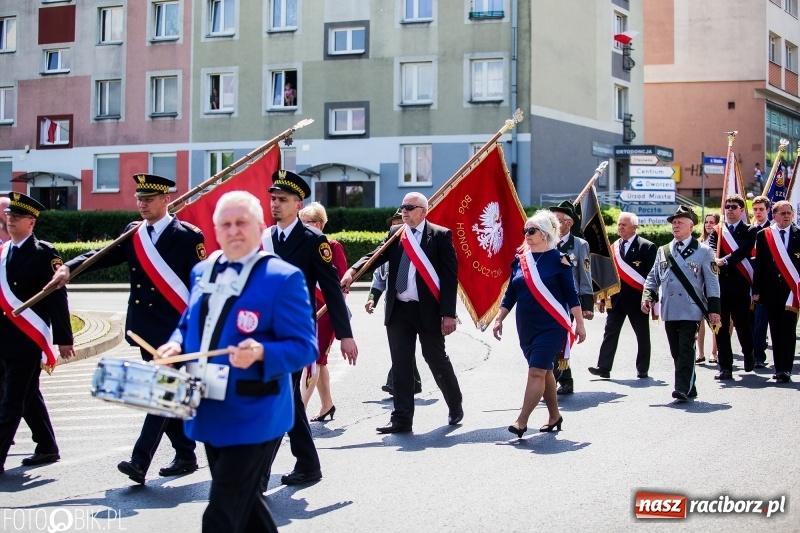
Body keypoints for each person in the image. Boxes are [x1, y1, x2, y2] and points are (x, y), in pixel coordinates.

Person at [158, 191, 317, 533]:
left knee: (220, 514)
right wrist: (173, 347)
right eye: (225, 224)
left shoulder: (282, 277)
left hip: (255, 413)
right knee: (246, 507)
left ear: (259, 226)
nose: (233, 231)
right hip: (209, 405)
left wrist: (262, 352)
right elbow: (188, 325)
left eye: (241, 222)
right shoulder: (202, 271)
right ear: (215, 230)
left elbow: (305, 347)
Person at [46, 174, 206, 484]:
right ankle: (186, 453)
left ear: (166, 199)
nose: (142, 204)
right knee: (166, 392)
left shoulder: (188, 236)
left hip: (175, 328)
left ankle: (139, 461)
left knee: (162, 391)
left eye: (149, 198)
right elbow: (102, 256)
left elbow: (200, 284)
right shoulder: (133, 234)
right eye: (139, 199)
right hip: (145, 328)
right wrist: (70, 268)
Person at [260, 170, 358, 487]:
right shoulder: (266, 239)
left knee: (282, 397)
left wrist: (345, 335)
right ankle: (306, 463)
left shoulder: (314, 242)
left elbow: (331, 290)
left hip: (295, 331)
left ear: (298, 203)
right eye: (273, 199)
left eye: (282, 200)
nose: (275, 204)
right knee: (284, 399)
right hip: (266, 331)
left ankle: (260, 471)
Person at [341, 192, 463, 434]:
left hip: (428, 310)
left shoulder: (439, 236)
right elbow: (373, 257)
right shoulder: (396, 235)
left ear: (423, 212)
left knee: (435, 358)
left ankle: (455, 403)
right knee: (401, 364)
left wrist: (448, 314)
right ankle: (401, 419)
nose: (404, 211)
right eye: (402, 206)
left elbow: (450, 278)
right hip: (399, 310)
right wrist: (351, 273)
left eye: (410, 207)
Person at [492, 211, 586, 438]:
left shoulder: (559, 260)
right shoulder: (520, 260)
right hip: (526, 326)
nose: (527, 235)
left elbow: (572, 296)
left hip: (552, 326)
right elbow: (511, 293)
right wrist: (499, 317)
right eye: (525, 231)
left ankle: (521, 420)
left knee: (536, 371)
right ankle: (555, 416)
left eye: (531, 231)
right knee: (545, 372)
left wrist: (580, 324)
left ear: (545, 234)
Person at [0, 193, 74, 473]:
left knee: (12, 400)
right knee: (28, 395)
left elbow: (57, 296)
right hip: (4, 336)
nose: (10, 221)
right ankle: (46, 446)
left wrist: (64, 338)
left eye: (17, 218)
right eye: (9, 217)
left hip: (27, 338)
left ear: (31, 222)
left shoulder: (45, 253)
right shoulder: (4, 251)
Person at [642, 206, 721, 402]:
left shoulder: (704, 251)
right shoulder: (663, 250)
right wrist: (648, 296)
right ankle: (689, 385)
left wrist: (714, 310)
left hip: (690, 308)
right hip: (670, 309)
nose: (675, 225)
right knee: (676, 350)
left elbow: (712, 283)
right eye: (673, 223)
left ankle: (681, 388)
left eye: (680, 222)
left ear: (691, 226)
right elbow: (653, 277)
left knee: (686, 348)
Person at [589, 212, 656, 379]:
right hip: (616, 299)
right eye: (619, 224)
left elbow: (652, 276)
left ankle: (642, 368)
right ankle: (603, 367)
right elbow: (608, 275)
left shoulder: (647, 247)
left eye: (624, 225)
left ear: (634, 227)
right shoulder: (614, 247)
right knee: (610, 332)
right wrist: (603, 298)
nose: (620, 228)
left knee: (642, 335)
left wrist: (649, 297)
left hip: (637, 300)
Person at [298, 202, 347, 421]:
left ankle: (298, 412)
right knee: (319, 361)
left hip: (325, 310)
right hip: (304, 309)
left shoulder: (332, 246)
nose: (300, 226)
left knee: (313, 359)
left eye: (304, 222)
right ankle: (327, 404)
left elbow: (340, 284)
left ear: (317, 224)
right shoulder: (299, 246)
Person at [366, 209, 422, 397]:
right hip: (394, 307)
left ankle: (397, 383)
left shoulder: (419, 246)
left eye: (399, 223)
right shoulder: (387, 249)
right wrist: (372, 299)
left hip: (416, 305)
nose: (395, 227)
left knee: (406, 348)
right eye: (393, 224)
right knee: (401, 347)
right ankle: (413, 382)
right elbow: (379, 278)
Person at [708, 194, 758, 380]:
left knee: (741, 323)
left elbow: (744, 250)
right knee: (720, 326)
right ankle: (725, 367)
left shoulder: (749, 230)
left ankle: (748, 352)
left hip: (740, 284)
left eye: (733, 207)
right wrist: (714, 257)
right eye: (727, 206)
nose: (729, 209)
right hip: (719, 286)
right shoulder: (718, 230)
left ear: (742, 210)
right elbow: (712, 247)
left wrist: (724, 261)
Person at [548, 201, 593, 394]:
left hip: (568, 302)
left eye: (558, 220)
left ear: (569, 223)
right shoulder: (546, 241)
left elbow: (585, 274)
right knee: (555, 340)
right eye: (553, 219)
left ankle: (550, 379)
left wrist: (587, 303)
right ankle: (566, 379)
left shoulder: (579, 245)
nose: (554, 224)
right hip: (547, 299)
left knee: (559, 340)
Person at [752, 200, 799, 383]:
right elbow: (760, 264)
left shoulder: (799, 234)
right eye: (783, 213)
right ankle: (779, 368)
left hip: (791, 291)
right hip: (770, 291)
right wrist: (756, 290)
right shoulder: (764, 235)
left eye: (789, 213)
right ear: (775, 215)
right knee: (775, 330)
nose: (786, 216)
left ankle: (786, 369)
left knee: (788, 330)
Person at [750, 196, 771, 369]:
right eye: (755, 209)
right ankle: (755, 354)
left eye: (761, 210)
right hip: (748, 279)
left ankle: (760, 355)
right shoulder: (749, 229)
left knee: (763, 320)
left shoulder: (773, 230)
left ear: (768, 210)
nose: (757, 213)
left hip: (767, 282)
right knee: (754, 322)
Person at [697, 213, 720, 364]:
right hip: (699, 286)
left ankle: (714, 352)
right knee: (698, 321)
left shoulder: (719, 242)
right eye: (706, 222)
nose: (708, 225)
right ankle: (700, 353)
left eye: (712, 222)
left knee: (714, 320)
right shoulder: (698, 242)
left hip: (713, 285)